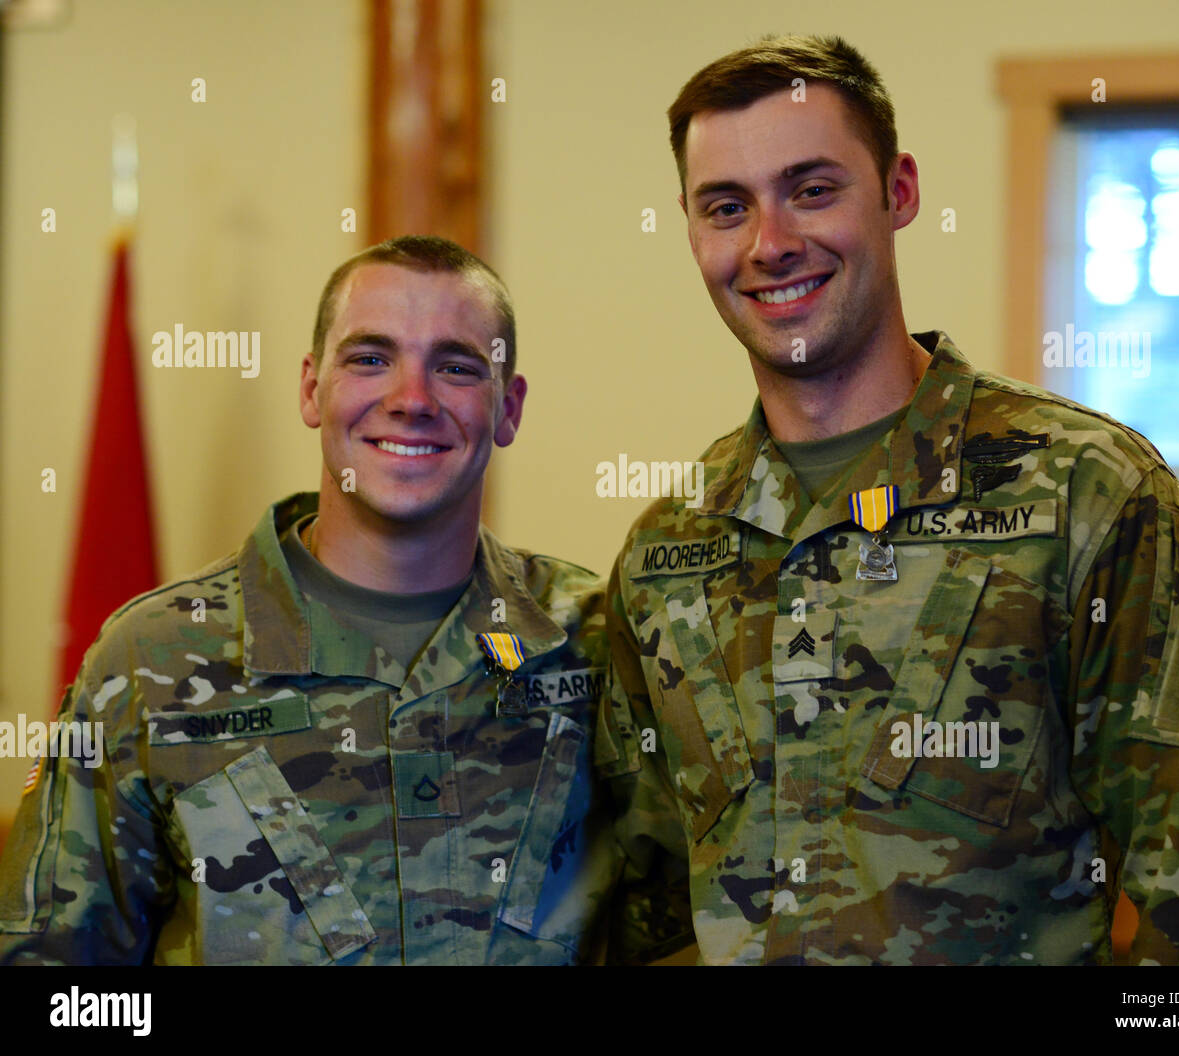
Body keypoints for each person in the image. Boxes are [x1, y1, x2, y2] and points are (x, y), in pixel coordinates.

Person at [597, 35, 1179, 965]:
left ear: (899, 192)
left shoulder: (1089, 494)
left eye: (813, 189)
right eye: (727, 207)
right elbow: (649, 918)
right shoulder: (666, 552)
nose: (770, 244)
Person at [0, 235, 681, 965]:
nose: (410, 400)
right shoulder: (151, 658)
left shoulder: (596, 640)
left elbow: (676, 934)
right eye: (369, 359)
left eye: (455, 367)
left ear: (508, 408)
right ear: (310, 389)